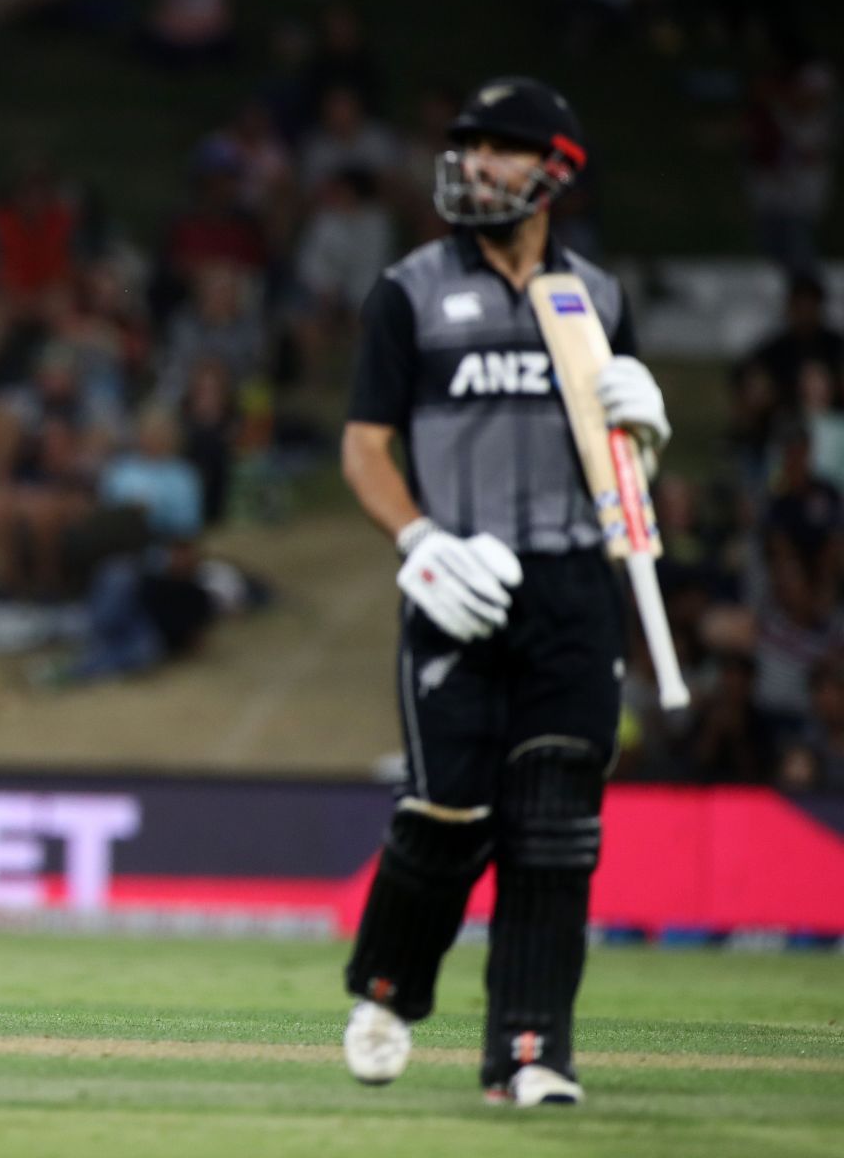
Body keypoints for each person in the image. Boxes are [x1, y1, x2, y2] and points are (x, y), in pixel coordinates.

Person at [337, 79, 672, 1106]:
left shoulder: (601, 299)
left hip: (573, 583)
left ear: (555, 171)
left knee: (556, 822)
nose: (477, 165)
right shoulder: (410, 290)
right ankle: (388, 987)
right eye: (469, 146)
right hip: (456, 581)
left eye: (501, 149)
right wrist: (420, 538)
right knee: (446, 811)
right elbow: (363, 448)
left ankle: (531, 1052)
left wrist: (648, 439)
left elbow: (617, 471)